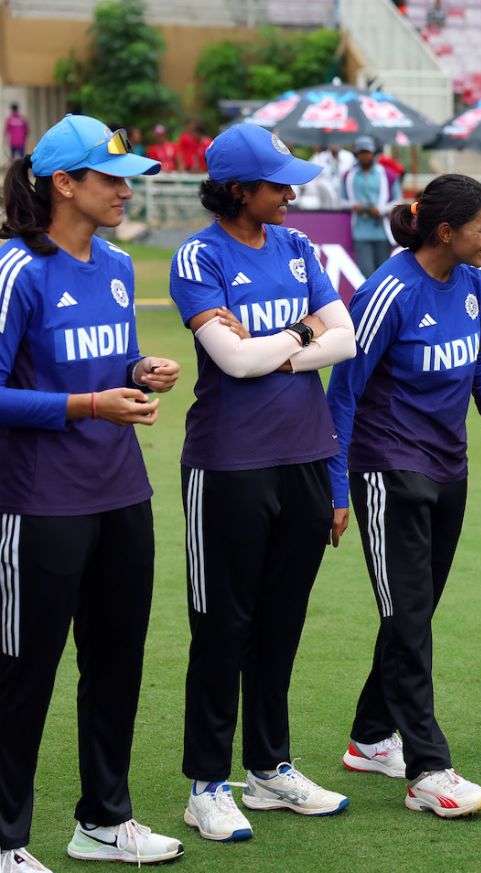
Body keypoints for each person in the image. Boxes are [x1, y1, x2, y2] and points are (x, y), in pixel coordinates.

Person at [0, 114, 183, 870]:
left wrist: (139, 373)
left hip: (120, 493)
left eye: (127, 177)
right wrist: (86, 405)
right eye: (109, 178)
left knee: (115, 663)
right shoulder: (15, 268)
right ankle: (6, 840)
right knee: (21, 674)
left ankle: (103, 820)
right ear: (63, 185)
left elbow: (106, 361)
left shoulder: (113, 263)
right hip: (39, 502)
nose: (124, 189)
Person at [168, 123, 357, 842]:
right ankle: (206, 784)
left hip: (305, 458)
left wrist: (280, 343)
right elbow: (234, 361)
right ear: (239, 190)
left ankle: (270, 768)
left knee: (280, 625)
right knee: (222, 627)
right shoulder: (199, 254)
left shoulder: (299, 246)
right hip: (228, 464)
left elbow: (347, 335)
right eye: (278, 183)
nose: (292, 191)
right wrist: (303, 336)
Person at [327, 173, 481, 818]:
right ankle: (429, 769)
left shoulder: (474, 283)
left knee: (414, 612)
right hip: (387, 470)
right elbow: (344, 390)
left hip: (449, 469)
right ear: (446, 231)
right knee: (408, 617)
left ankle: (369, 737)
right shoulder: (388, 292)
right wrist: (337, 485)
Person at [343, 134, 395, 279]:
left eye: (367, 152)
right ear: (356, 154)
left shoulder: (387, 174)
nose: (365, 156)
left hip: (382, 232)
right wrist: (354, 205)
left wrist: (381, 209)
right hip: (360, 232)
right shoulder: (348, 175)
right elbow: (340, 199)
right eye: (361, 153)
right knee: (367, 274)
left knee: (383, 275)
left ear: (373, 153)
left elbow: (398, 200)